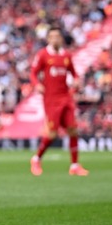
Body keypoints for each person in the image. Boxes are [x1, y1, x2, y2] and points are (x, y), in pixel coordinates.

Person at [29, 27, 88, 176]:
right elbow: (33, 73)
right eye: (52, 36)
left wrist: (76, 81)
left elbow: (74, 74)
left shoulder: (66, 55)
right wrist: (37, 84)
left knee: (73, 129)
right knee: (52, 134)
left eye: (57, 36)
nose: (55, 39)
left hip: (66, 97)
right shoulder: (43, 54)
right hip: (51, 98)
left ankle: (74, 166)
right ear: (48, 39)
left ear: (61, 39)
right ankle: (36, 159)